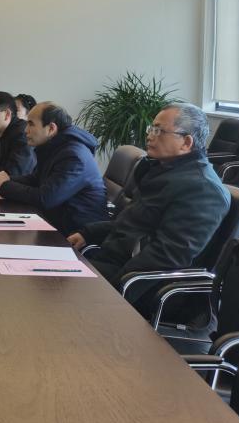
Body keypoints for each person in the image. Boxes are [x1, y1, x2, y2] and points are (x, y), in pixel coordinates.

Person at [69, 104, 230, 304]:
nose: (150, 136)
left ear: (186, 142)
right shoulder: (162, 170)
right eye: (151, 129)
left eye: (159, 131)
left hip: (141, 284)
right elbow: (133, 223)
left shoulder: (203, 189)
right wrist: (88, 233)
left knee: (55, 289)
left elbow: (167, 255)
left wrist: (115, 289)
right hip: (114, 263)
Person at [0, 102, 108, 235]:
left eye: (31, 124)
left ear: (51, 128)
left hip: (76, 235)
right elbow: (35, 179)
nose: (25, 130)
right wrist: (7, 179)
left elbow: (45, 199)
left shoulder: (74, 156)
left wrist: (4, 184)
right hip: (56, 224)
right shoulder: (55, 147)